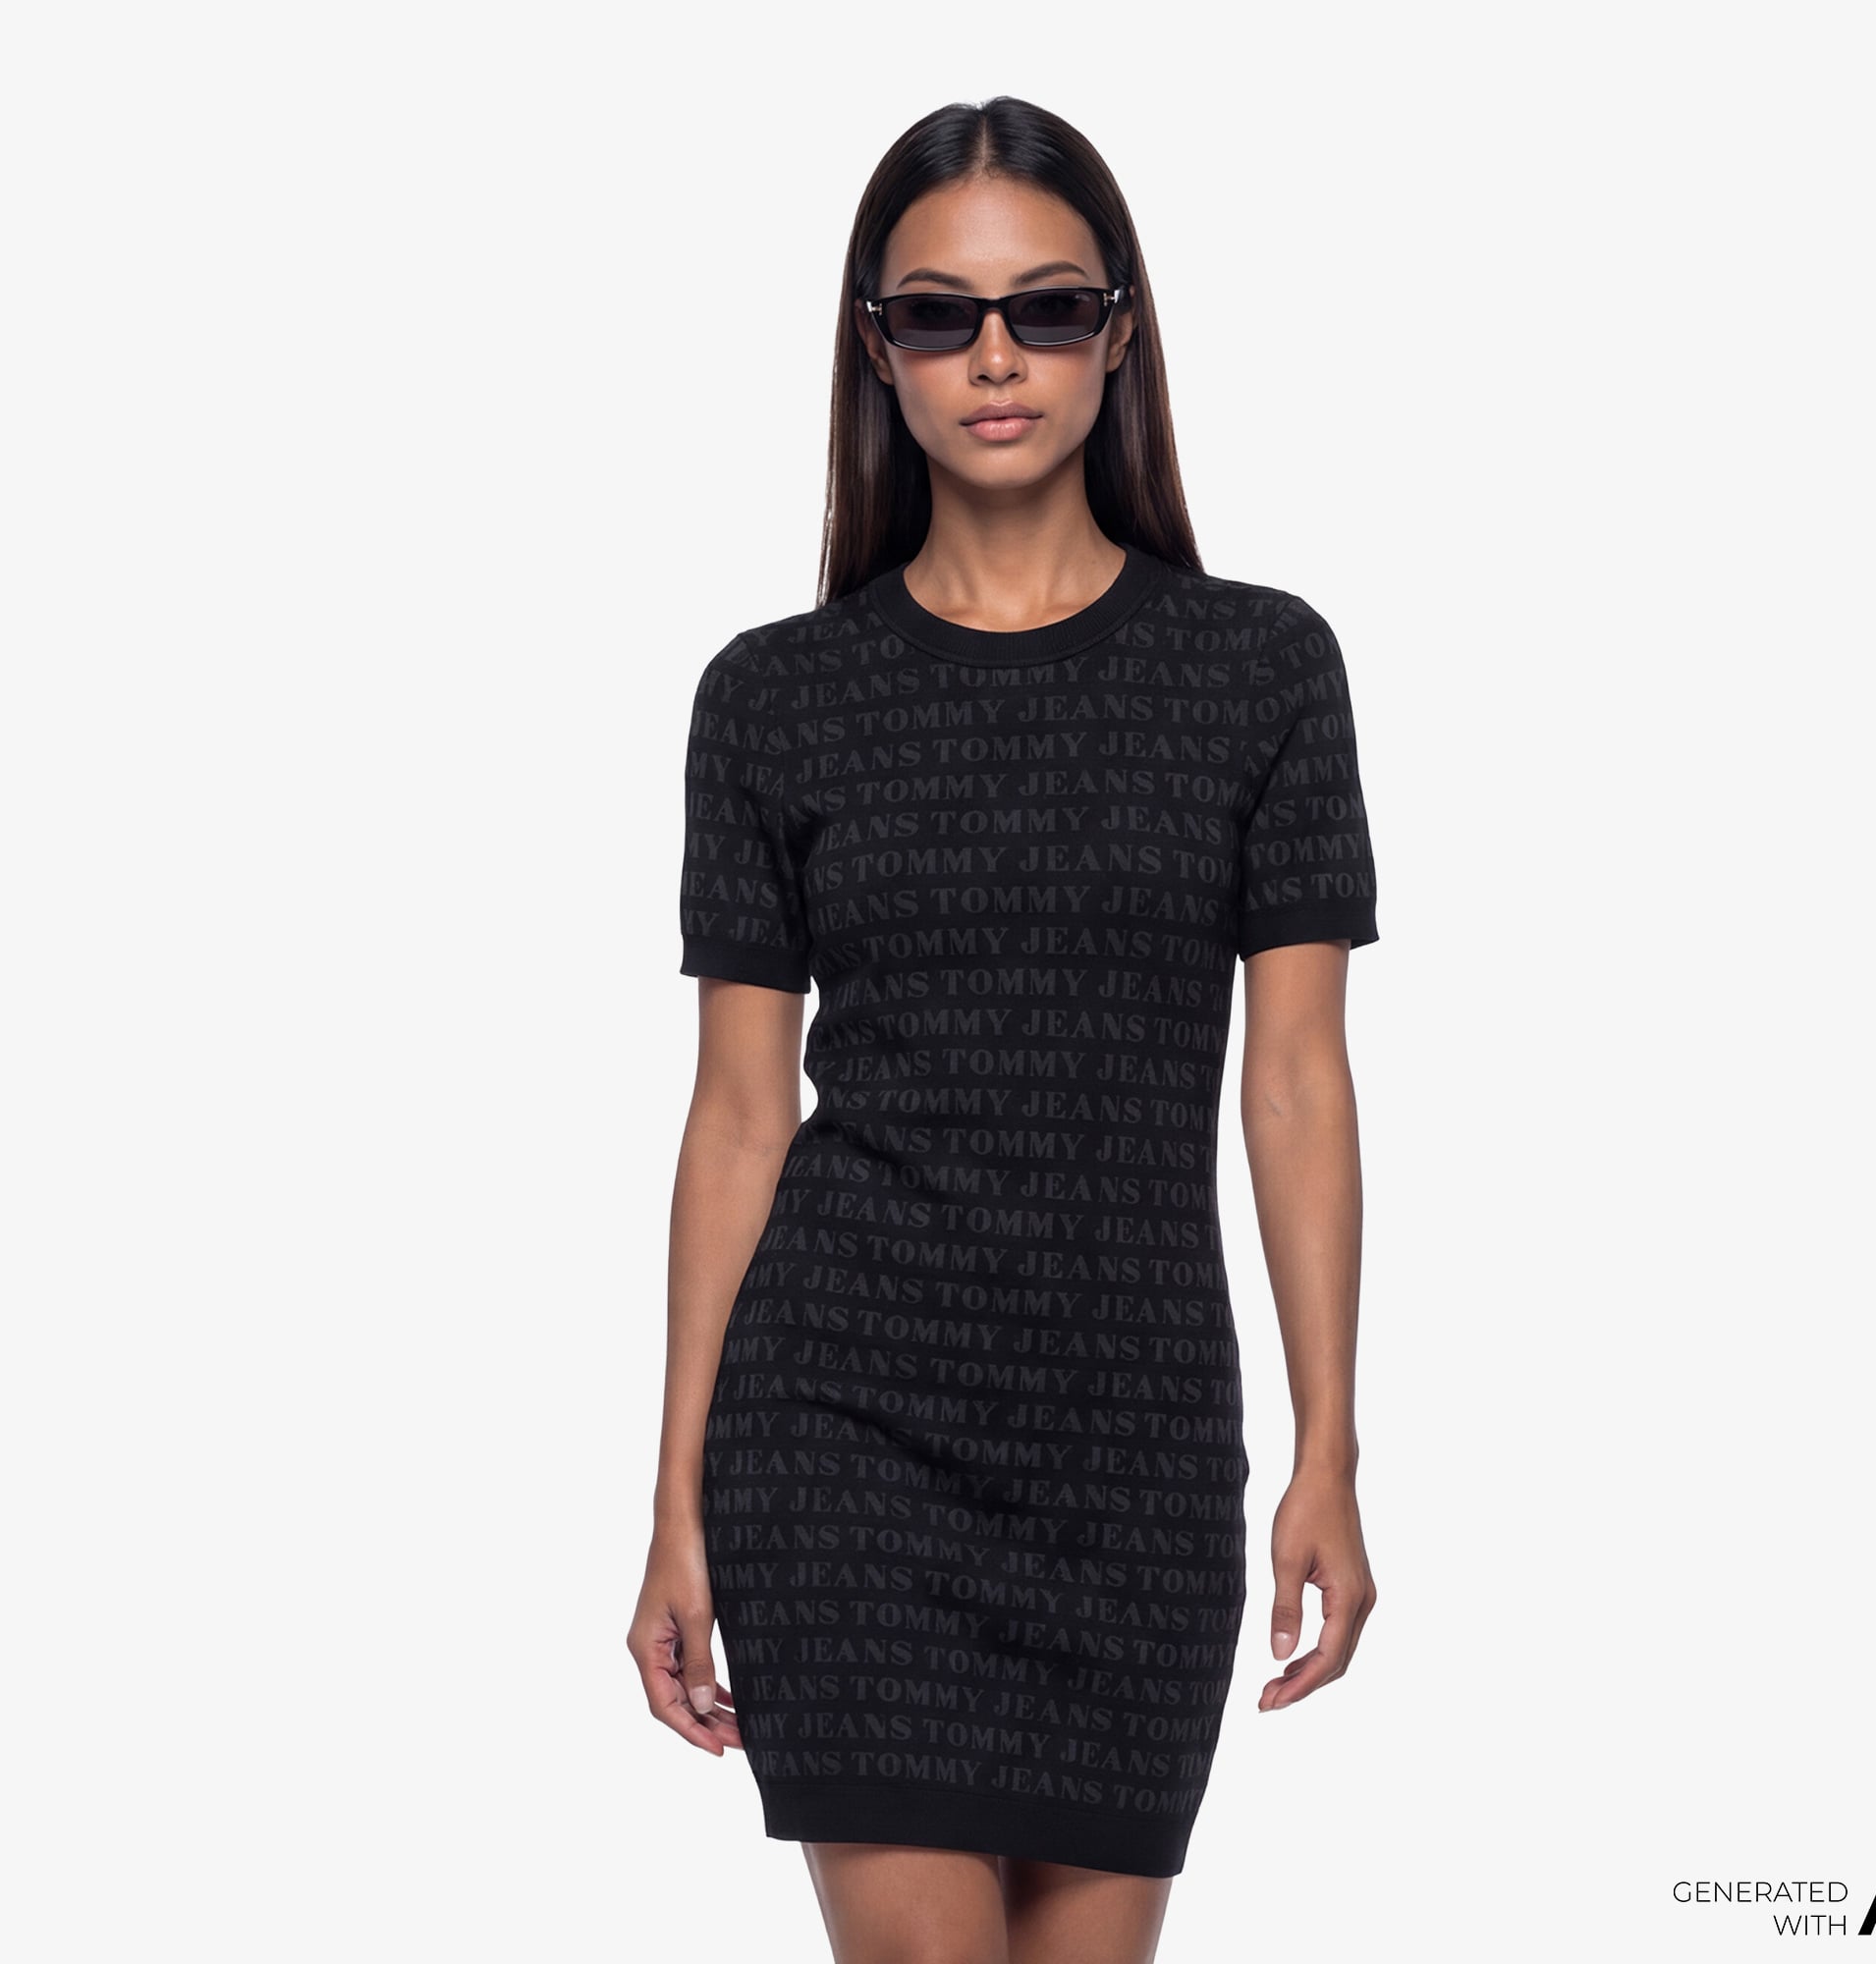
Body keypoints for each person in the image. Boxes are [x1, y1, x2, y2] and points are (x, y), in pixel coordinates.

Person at [628, 94, 1381, 1964]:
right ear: (873, 351)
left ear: (1118, 336)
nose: (993, 357)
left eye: (1046, 309)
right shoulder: (775, 699)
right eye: (936, 315)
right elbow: (738, 1118)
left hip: (1136, 1447)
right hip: (846, 1436)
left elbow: (1296, 1085)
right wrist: (675, 1498)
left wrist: (1331, 1446)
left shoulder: (1262, 670)